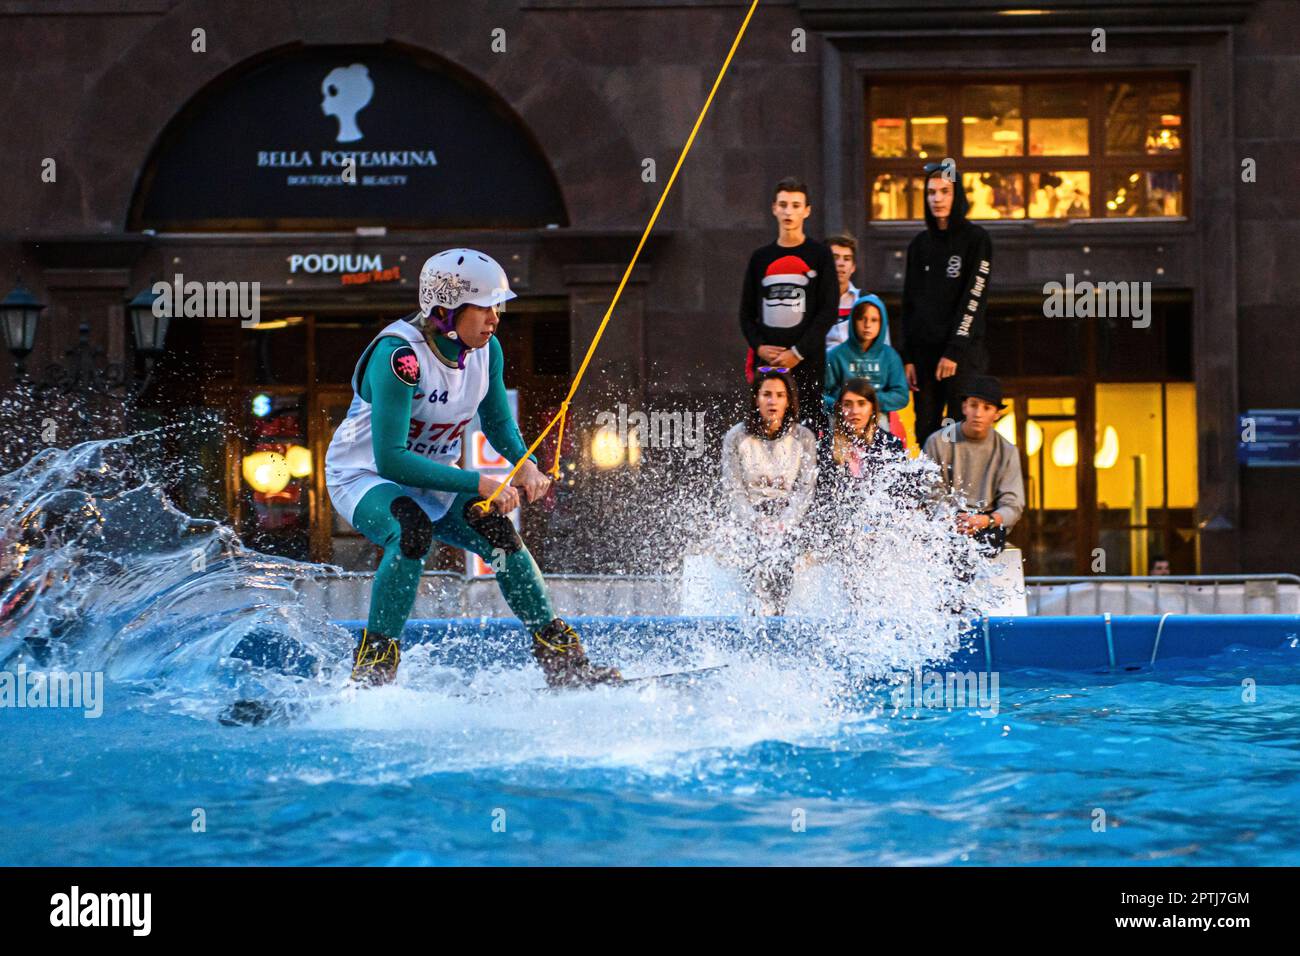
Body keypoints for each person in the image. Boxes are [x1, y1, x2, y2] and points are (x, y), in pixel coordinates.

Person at [324, 248, 621, 688]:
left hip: (433, 476)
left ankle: (564, 663)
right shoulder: (399, 356)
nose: (495, 317)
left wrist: (524, 464)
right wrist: (480, 481)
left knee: (500, 535)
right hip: (367, 476)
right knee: (411, 532)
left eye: (497, 307)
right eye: (484, 306)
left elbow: (497, 421)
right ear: (445, 311)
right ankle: (373, 670)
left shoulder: (487, 350)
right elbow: (391, 459)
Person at [899, 162, 993, 447]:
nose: (937, 199)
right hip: (924, 357)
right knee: (925, 429)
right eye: (931, 193)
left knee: (957, 428)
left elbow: (974, 298)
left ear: (957, 195)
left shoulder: (976, 240)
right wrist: (908, 357)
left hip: (961, 355)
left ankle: (958, 490)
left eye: (944, 192)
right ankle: (928, 490)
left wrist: (953, 350)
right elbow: (908, 302)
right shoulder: (919, 245)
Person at [739, 177, 840, 433]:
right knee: (766, 428)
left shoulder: (820, 255)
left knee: (808, 430)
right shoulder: (760, 258)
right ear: (774, 208)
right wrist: (760, 347)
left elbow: (828, 310)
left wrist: (797, 352)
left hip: (807, 362)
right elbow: (746, 313)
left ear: (807, 210)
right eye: (783, 204)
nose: (788, 211)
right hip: (768, 366)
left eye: (796, 205)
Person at [719, 369, 818, 614]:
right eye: (767, 395)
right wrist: (754, 521)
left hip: (789, 516)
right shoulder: (736, 436)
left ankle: (778, 615)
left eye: (779, 395)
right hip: (750, 516)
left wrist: (786, 522)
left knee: (784, 552)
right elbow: (733, 490)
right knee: (752, 551)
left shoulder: (804, 437)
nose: (772, 401)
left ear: (788, 401)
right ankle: (754, 613)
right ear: (756, 399)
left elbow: (806, 489)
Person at [921, 374, 1023, 555]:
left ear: (997, 414)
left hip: (987, 522)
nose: (978, 413)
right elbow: (930, 493)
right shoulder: (938, 442)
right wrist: (954, 520)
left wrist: (986, 520)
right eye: (974, 405)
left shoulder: (1007, 451)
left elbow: (1013, 505)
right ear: (964, 406)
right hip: (945, 521)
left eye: (987, 407)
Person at [823, 294, 909, 441]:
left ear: (882, 324)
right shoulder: (836, 355)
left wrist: (870, 403)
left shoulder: (890, 356)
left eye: (874, 320)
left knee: (882, 439)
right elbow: (821, 395)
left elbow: (901, 396)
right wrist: (843, 405)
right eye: (862, 318)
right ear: (852, 321)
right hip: (841, 418)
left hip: (878, 417)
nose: (867, 324)